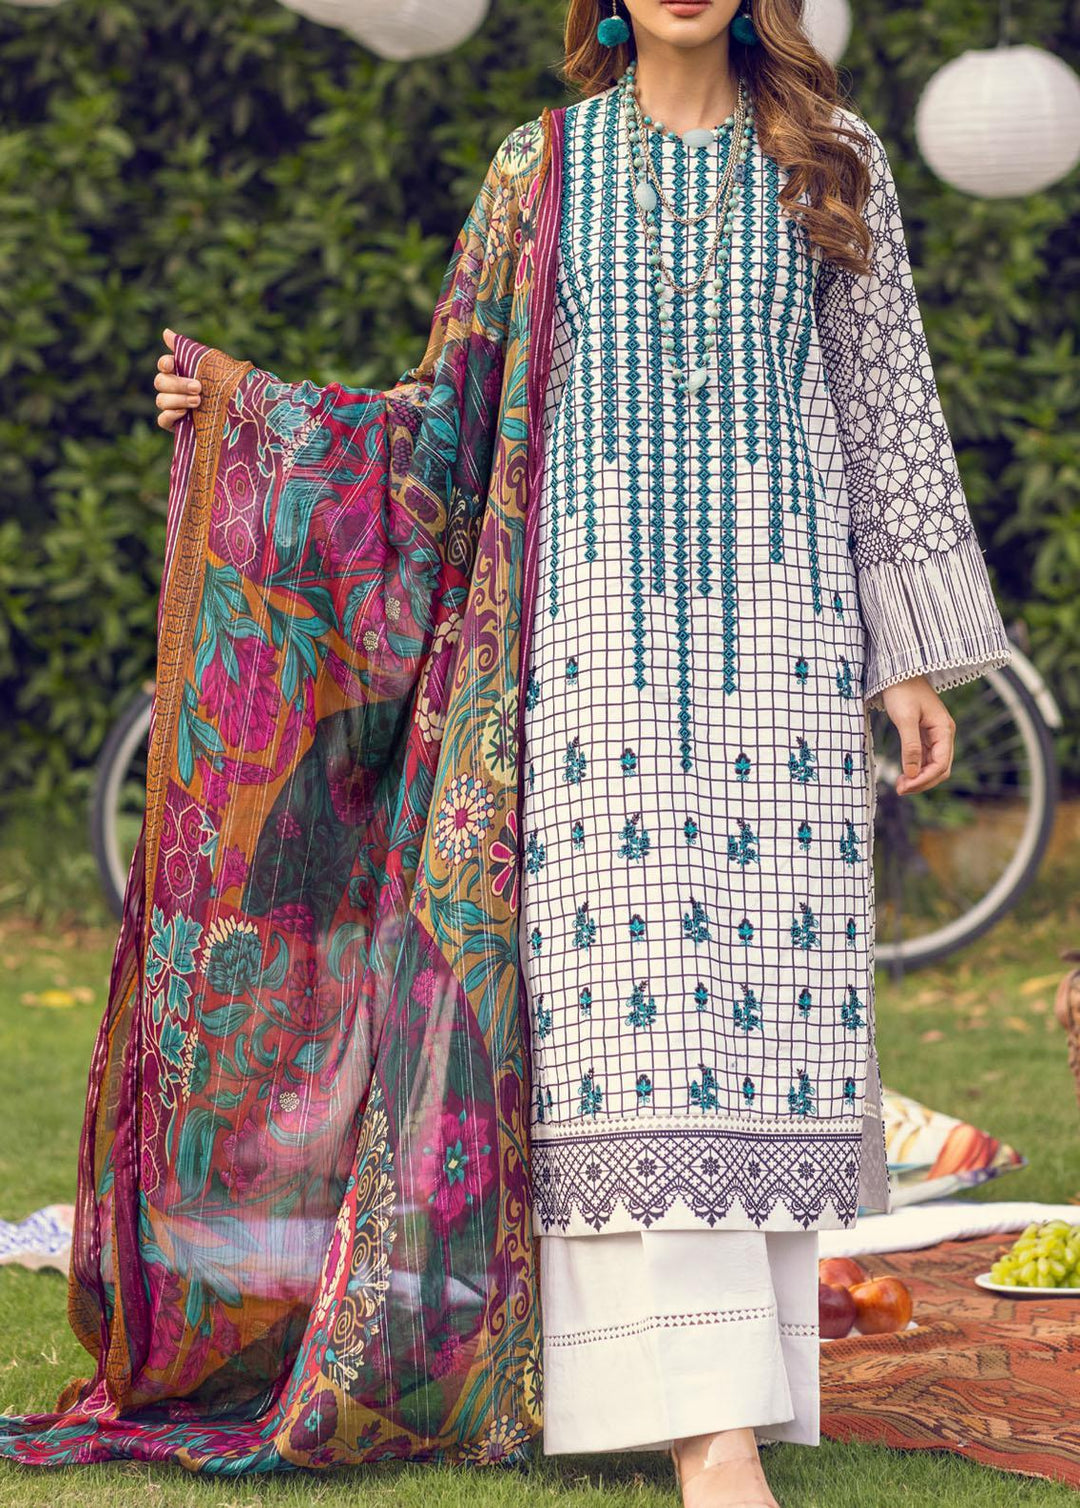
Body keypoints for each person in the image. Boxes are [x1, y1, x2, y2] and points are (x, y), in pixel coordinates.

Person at [1, 1, 1012, 1501]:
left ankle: (723, 1396)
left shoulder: (828, 153)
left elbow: (891, 418)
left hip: (787, 647)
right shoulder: (539, 169)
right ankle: (709, 1429)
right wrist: (249, 416)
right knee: (627, 1027)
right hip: (586, 657)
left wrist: (908, 656)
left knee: (762, 1022)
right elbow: (444, 426)